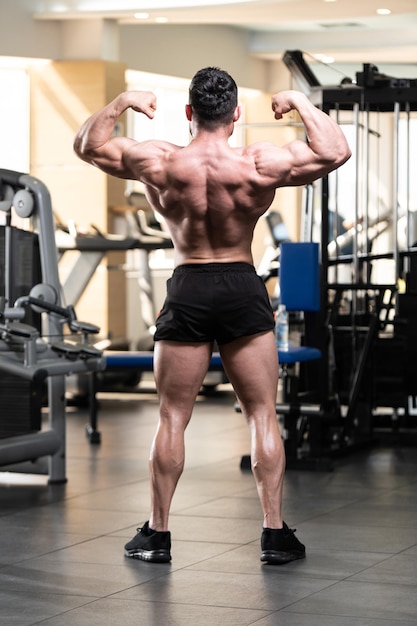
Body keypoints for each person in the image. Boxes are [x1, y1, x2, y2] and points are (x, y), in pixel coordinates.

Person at [74, 67, 351, 565]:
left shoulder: (158, 160)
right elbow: (335, 151)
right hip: (241, 285)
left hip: (189, 285)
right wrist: (300, 103)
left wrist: (120, 103)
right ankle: (274, 534)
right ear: (236, 114)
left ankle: (157, 534)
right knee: (262, 413)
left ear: (188, 113)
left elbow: (88, 146)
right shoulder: (257, 162)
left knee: (173, 416)